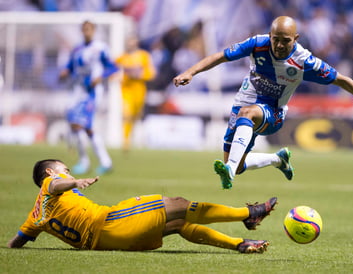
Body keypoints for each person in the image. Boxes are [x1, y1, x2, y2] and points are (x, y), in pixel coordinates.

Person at [173, 16, 353, 189]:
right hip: (243, 104)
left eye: (285, 41)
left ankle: (229, 169)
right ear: (269, 35)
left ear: (295, 39)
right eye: (275, 39)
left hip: (273, 113)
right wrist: (190, 72)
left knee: (246, 117)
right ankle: (276, 159)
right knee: (240, 163)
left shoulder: (304, 61)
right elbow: (221, 55)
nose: (279, 45)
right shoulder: (257, 44)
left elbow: (342, 80)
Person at [7, 159, 277, 253]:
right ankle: (249, 214)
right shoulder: (51, 184)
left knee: (178, 224)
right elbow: (57, 186)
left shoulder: (35, 217)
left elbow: (16, 242)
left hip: (109, 242)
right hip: (110, 222)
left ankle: (239, 244)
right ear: (50, 173)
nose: (65, 173)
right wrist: (74, 180)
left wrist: (9, 248)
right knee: (179, 204)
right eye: (62, 169)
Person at [59, 20, 118, 175]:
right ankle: (103, 162)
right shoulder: (77, 49)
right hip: (77, 91)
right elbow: (70, 67)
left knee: (83, 125)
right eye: (84, 29)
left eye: (89, 29)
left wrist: (100, 77)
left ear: (94, 30)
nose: (87, 32)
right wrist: (65, 72)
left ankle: (87, 162)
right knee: (79, 126)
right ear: (81, 31)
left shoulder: (100, 48)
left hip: (92, 92)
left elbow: (113, 67)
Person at [115, 36, 157, 151]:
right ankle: (126, 141)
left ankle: (137, 139)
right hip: (126, 90)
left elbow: (152, 73)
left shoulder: (144, 56)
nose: (131, 44)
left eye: (133, 41)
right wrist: (116, 75)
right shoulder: (122, 57)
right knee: (127, 114)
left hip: (139, 89)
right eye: (129, 41)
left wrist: (140, 75)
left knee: (136, 116)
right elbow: (112, 69)